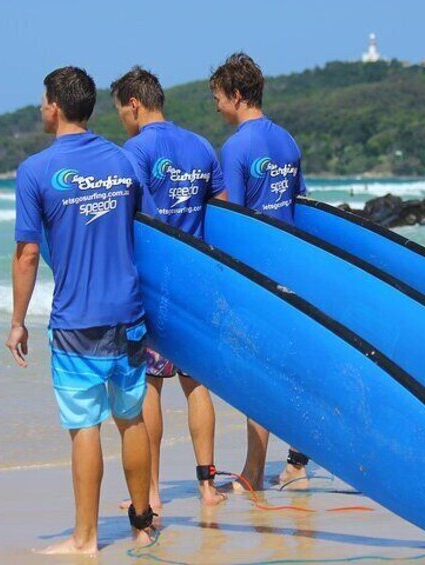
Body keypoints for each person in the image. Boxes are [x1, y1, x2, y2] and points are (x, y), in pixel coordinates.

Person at [5, 66, 154, 554]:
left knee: (84, 427)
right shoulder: (124, 161)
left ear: (55, 106)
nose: (41, 108)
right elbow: (152, 238)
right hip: (129, 315)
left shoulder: (36, 171)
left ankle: (86, 538)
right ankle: (142, 522)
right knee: (130, 418)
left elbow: (27, 254)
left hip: (77, 322)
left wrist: (17, 321)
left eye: (43, 100)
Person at [110, 66, 227, 511]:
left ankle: (153, 493)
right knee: (197, 384)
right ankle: (206, 487)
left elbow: (135, 218)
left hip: (156, 287)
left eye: (121, 108)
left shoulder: (134, 151)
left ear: (135, 104)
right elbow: (223, 212)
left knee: (151, 388)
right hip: (198, 283)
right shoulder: (200, 145)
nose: (122, 117)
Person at [209, 52, 310, 490]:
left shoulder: (236, 146)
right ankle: (298, 462)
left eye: (218, 97)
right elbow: (297, 204)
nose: (216, 106)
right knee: (289, 369)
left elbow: (234, 219)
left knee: (258, 375)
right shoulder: (287, 141)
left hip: (256, 276)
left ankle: (253, 472)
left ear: (235, 95)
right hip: (293, 269)